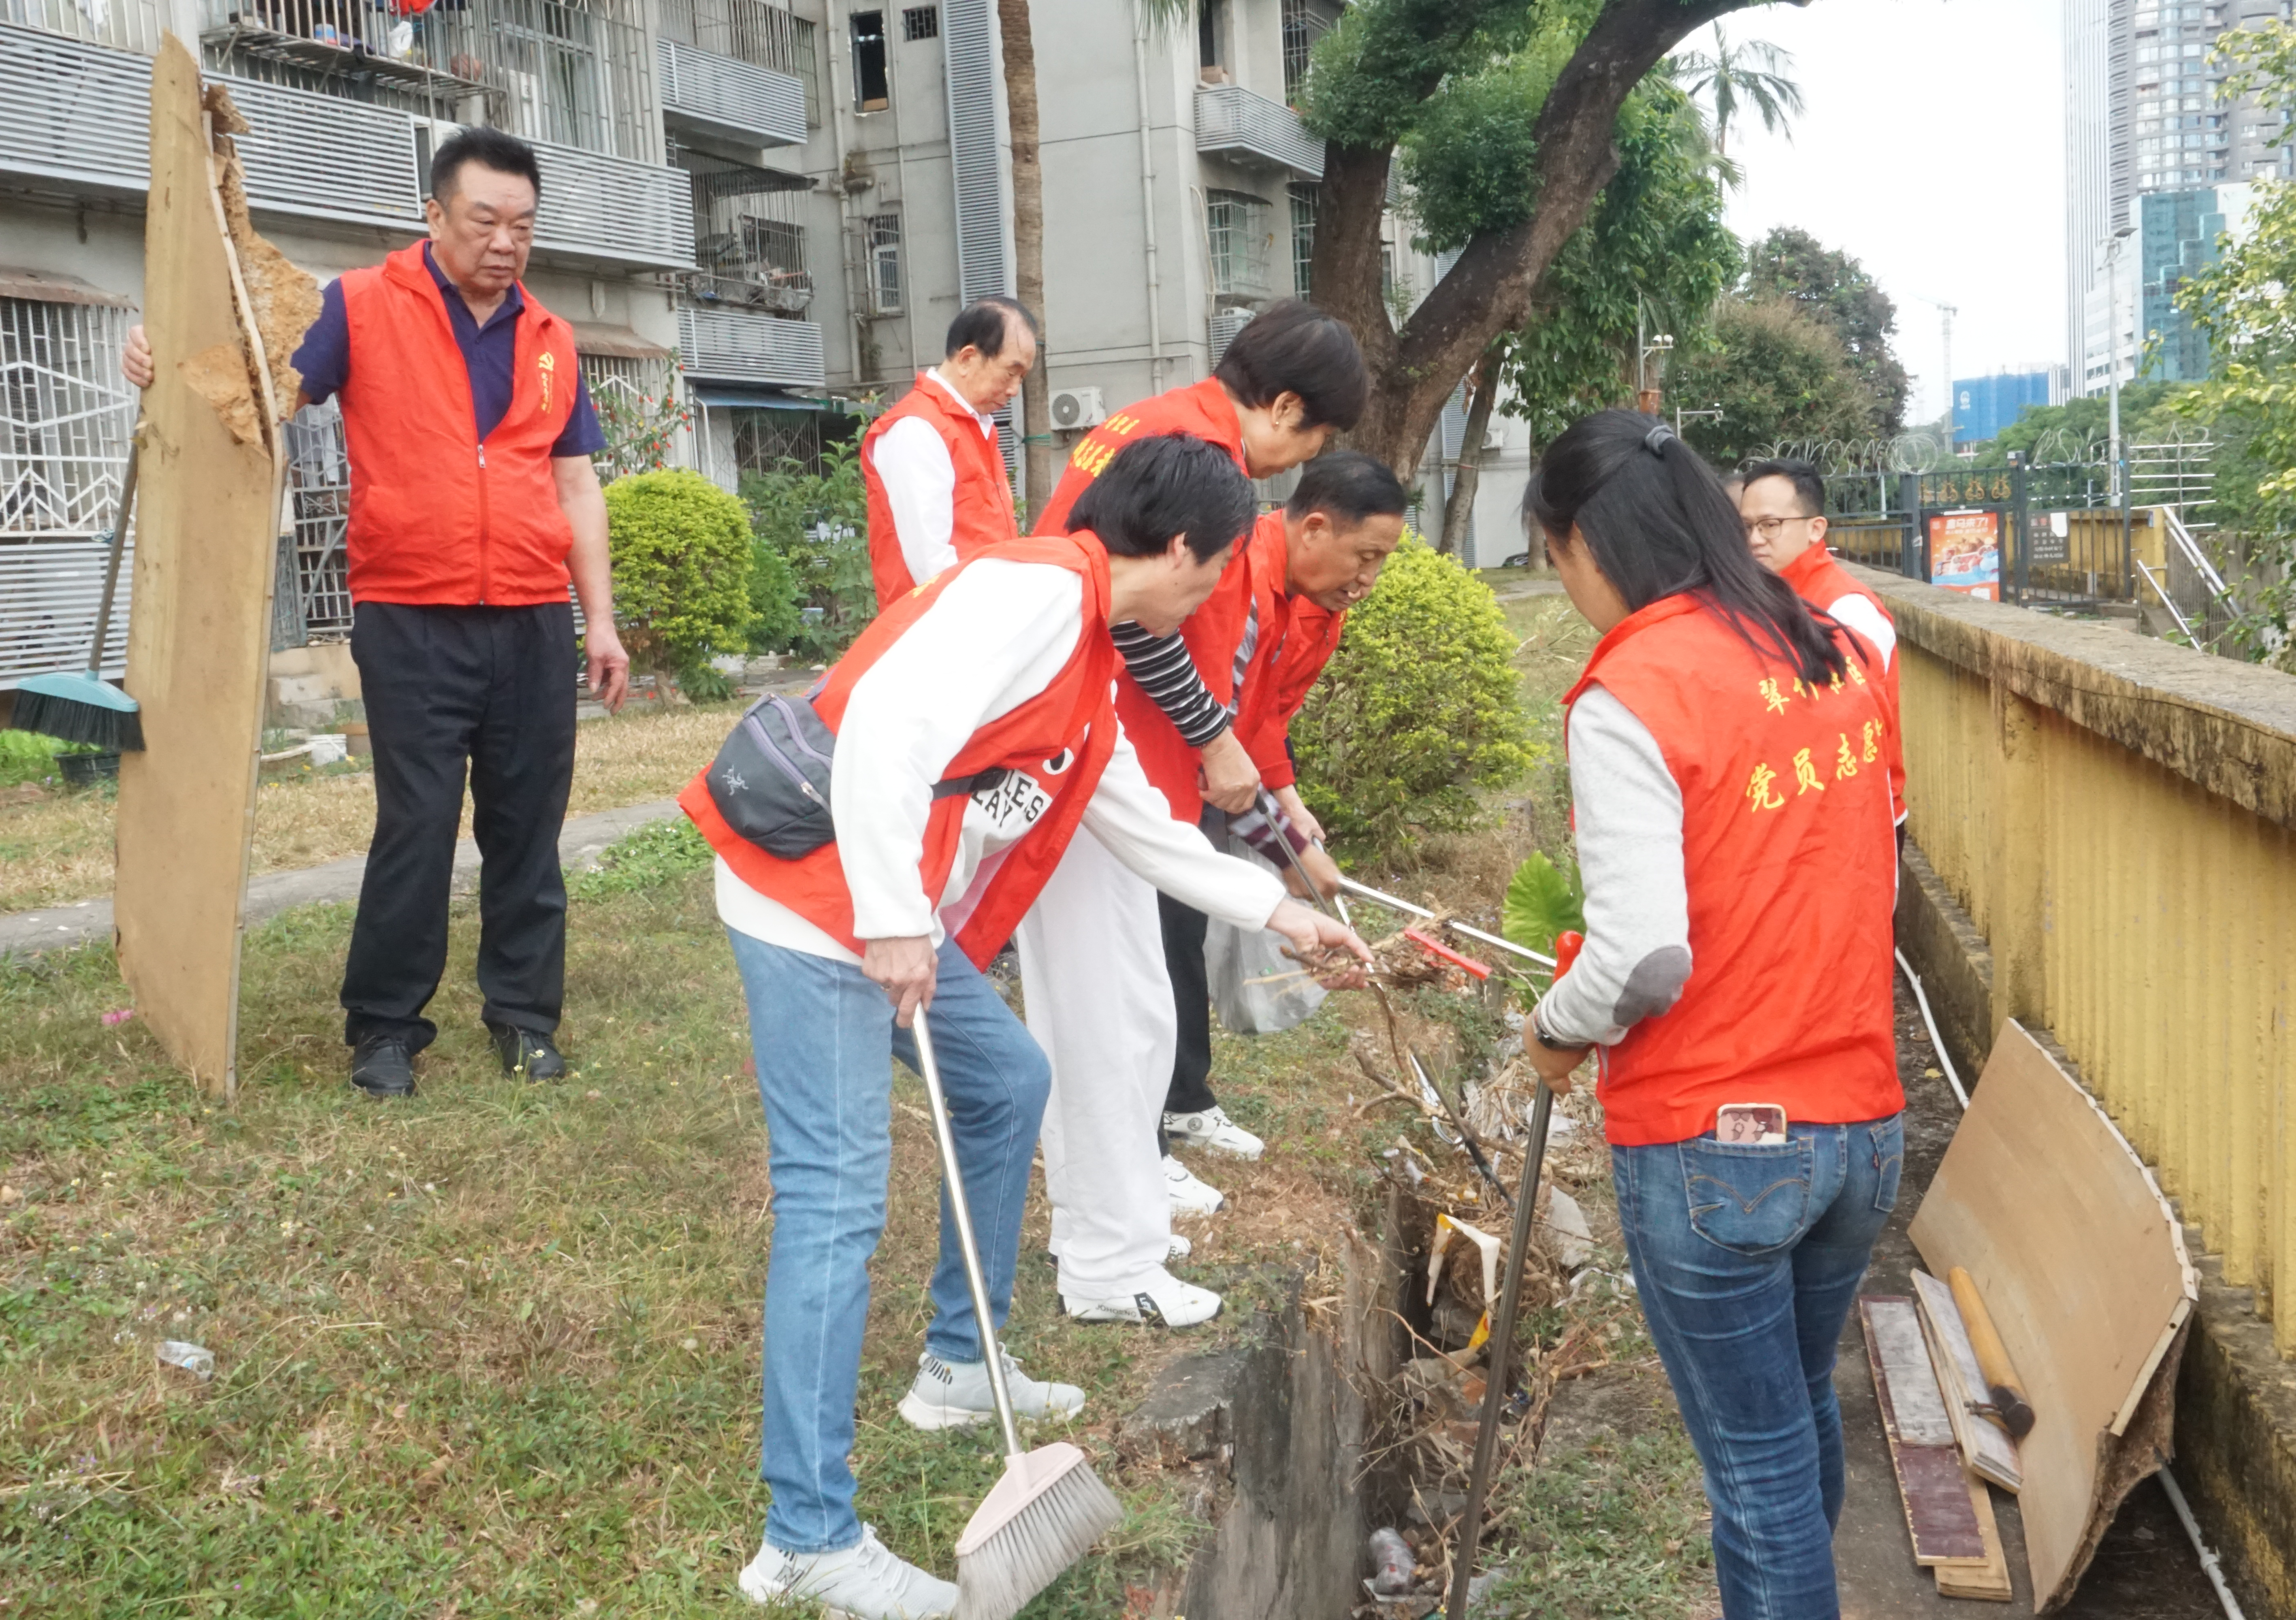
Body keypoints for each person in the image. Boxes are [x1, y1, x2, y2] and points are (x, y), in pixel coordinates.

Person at [679, 432, 1366, 1616]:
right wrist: (895, 922)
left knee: (1002, 1082)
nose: (1209, 601)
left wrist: (1276, 911)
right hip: (815, 904)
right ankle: (803, 1536)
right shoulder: (1032, 593)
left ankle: (959, 1359)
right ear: (1182, 549)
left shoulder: (1089, 638)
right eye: (1209, 578)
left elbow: (1132, 815)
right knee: (836, 1197)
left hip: (881, 907)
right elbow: (886, 723)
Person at [121, 128, 629, 1100]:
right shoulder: (358, 306)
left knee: (527, 825)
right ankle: (386, 1026)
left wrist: (596, 618)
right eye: (484, 219)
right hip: (411, 613)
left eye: (523, 224)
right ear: (434, 214)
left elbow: (576, 486)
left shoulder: (551, 339)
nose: (504, 242)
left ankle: (525, 1016)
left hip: (529, 618)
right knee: (420, 821)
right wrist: (164, 361)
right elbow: (262, 391)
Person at [1517, 411, 1902, 1620]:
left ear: (1582, 541)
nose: (1563, 587)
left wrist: (1553, 1025)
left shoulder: (1631, 687)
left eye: (1550, 559)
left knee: (1754, 1467)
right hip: (1859, 1130)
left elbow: (1640, 954)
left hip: (1718, 1143)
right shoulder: (1817, 643)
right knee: (1790, 1421)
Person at [1031, 298, 1371, 1228]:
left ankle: (1138, 1150)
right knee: (1120, 981)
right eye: (1318, 437)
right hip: (1102, 729)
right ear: (1286, 404)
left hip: (1097, 719)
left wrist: (1271, 801)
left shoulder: (1156, 422)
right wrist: (1213, 739)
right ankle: (1121, 1167)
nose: (1306, 460)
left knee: (1138, 972)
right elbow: (1143, 611)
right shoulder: (1203, 454)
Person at [1139, 451, 1405, 1203]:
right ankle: (1141, 1145)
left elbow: (1261, 720)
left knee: (1180, 938)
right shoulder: (1236, 579)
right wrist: (1284, 852)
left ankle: (1184, 1101)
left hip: (1196, 788)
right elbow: (1209, 732)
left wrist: (1290, 811)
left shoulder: (1297, 595)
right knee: (1148, 958)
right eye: (1366, 556)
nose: (1369, 578)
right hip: (1153, 784)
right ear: (1316, 526)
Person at [1736, 457, 1907, 832]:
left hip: (1856, 815)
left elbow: (1847, 722)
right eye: (1746, 526)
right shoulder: (1762, 598)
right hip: (1795, 812)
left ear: (1816, 529)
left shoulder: (1848, 610)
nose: (1754, 539)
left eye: (1770, 525)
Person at [861, 296, 1037, 606]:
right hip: (943, 627)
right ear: (968, 359)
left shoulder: (976, 425)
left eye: (1022, 378)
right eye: (1011, 373)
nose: (1014, 390)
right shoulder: (917, 428)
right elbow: (932, 565)